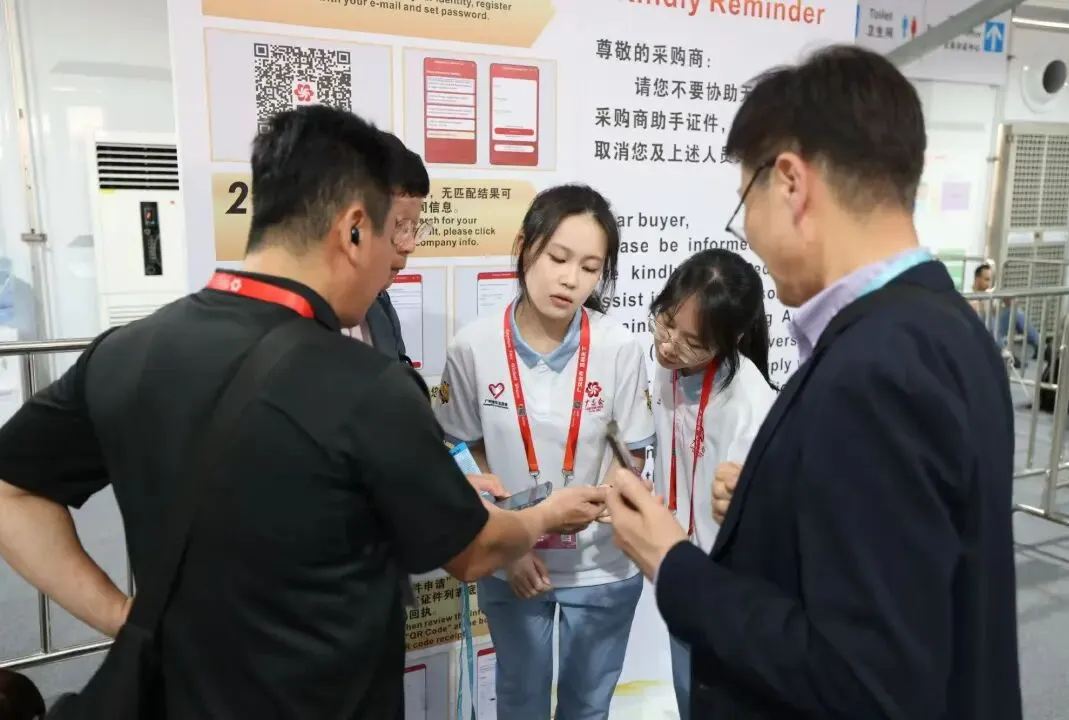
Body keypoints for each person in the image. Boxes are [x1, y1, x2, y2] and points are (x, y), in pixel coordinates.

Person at [0, 106, 608, 720]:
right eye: (390, 235)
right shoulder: (367, 387)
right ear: (353, 230)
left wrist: (126, 619)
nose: (396, 261)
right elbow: (472, 552)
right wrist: (544, 516)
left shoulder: (125, 351)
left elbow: (11, 492)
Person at [604, 45, 1021, 720]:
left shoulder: (879, 368)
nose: (750, 234)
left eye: (745, 203)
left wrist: (672, 562)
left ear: (790, 183)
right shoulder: (946, 326)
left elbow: (865, 680)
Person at [434, 184, 655, 719]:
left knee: (587, 706)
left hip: (600, 567)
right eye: (558, 258)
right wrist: (512, 542)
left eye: (589, 267)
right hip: (510, 562)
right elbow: (463, 451)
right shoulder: (474, 346)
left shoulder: (619, 348)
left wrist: (610, 495)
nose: (570, 279)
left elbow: (631, 454)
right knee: (520, 702)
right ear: (524, 246)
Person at [647, 248, 778, 720]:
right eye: (665, 323)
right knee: (687, 693)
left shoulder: (749, 406)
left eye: (692, 342)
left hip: (725, 588)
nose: (669, 347)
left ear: (731, 340)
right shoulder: (667, 367)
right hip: (680, 570)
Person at [347, 131, 434, 365]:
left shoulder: (380, 303)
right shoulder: (287, 331)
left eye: (413, 229)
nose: (410, 246)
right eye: (400, 227)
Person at [970, 262, 1039, 359]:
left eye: (991, 280)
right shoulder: (969, 295)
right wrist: (984, 303)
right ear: (977, 280)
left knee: (1014, 312)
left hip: (994, 327)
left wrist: (1007, 301)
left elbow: (998, 312)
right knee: (987, 318)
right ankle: (1005, 354)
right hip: (978, 330)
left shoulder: (990, 293)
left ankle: (1041, 346)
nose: (989, 284)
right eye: (987, 280)